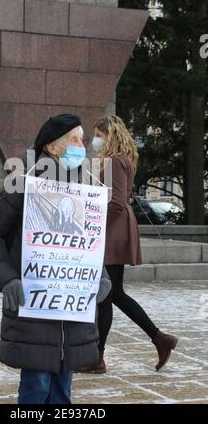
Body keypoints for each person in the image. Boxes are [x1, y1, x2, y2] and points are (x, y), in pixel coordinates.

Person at [0, 114, 111, 404]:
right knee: (36, 388)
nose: (82, 146)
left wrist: (101, 277)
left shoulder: (86, 189)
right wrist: (7, 279)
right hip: (33, 308)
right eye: (74, 140)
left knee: (63, 390)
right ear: (52, 147)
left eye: (83, 140)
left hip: (72, 312)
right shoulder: (23, 183)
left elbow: (86, 245)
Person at [75, 115, 178, 374]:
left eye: (98, 135)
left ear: (109, 135)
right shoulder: (121, 159)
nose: (95, 140)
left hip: (112, 230)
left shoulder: (114, 161)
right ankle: (159, 339)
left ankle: (97, 358)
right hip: (116, 228)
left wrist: (93, 223)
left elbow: (117, 202)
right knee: (112, 293)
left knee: (106, 295)